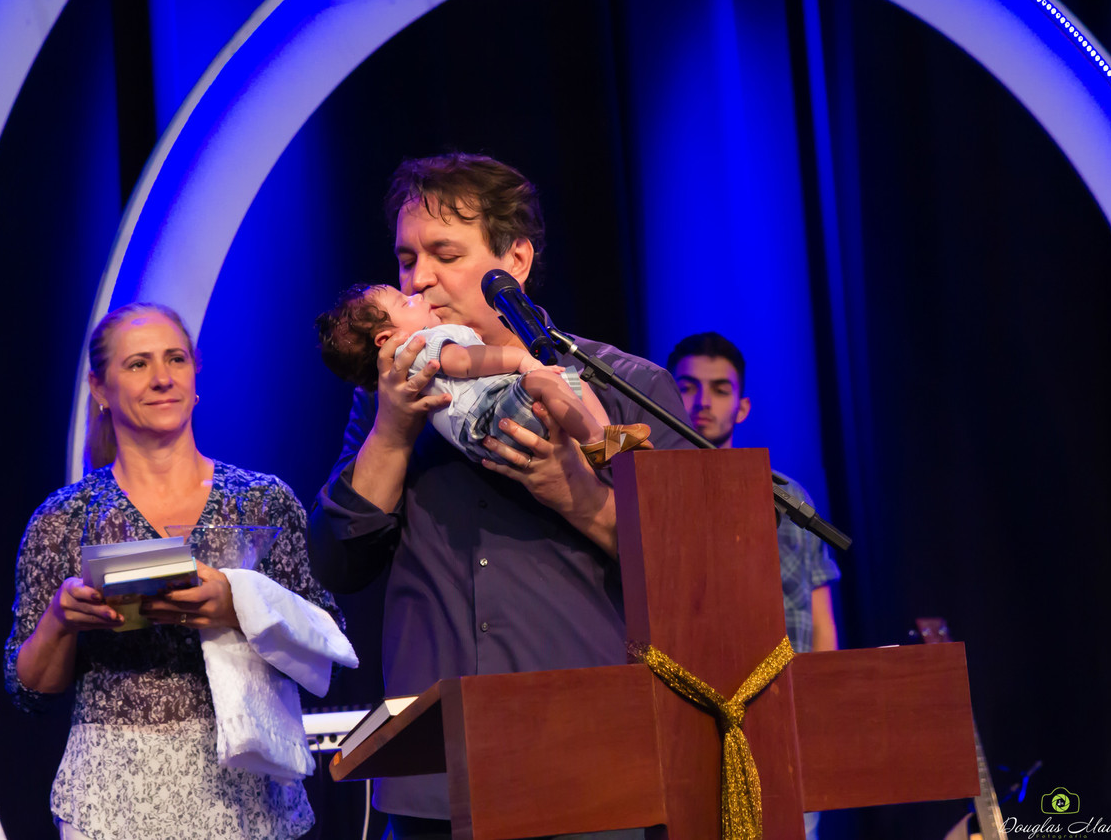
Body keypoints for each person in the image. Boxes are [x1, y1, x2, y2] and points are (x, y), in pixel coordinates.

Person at [309, 153, 694, 840]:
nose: (417, 277)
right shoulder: (383, 401)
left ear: (513, 261)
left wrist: (578, 498)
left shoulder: (624, 386)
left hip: (591, 766)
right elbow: (338, 564)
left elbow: (698, 581)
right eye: (405, 258)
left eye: (444, 253)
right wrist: (395, 431)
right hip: (437, 779)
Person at [5, 302, 344, 840]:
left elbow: (327, 646)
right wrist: (61, 620)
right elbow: (30, 691)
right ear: (99, 387)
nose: (162, 378)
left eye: (176, 359)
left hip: (249, 793)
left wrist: (235, 606)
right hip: (112, 799)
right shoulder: (65, 518)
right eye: (138, 364)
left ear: (196, 373)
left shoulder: (262, 501)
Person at [667, 331, 839, 840]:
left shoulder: (787, 496)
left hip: (785, 731)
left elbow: (821, 624)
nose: (702, 402)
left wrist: (823, 717)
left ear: (741, 407)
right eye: (688, 386)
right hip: (691, 731)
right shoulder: (649, 495)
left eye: (720, 390)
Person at [315, 283, 651, 468]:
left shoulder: (424, 344)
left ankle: (605, 435)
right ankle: (596, 441)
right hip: (488, 417)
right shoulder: (416, 347)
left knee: (568, 375)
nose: (418, 292)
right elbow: (464, 361)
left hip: (497, 408)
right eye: (405, 303)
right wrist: (520, 359)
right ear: (386, 340)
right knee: (549, 379)